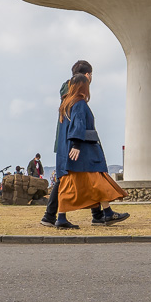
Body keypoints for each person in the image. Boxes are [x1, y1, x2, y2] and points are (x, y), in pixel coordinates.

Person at [42, 60, 109, 228]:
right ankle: (53, 216)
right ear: (86, 76)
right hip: (71, 143)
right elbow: (77, 120)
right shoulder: (75, 95)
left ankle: (98, 214)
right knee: (67, 180)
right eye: (91, 75)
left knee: (82, 177)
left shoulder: (67, 92)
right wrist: (76, 143)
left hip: (68, 141)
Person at [55, 74, 129, 226]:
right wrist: (76, 144)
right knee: (97, 180)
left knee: (68, 184)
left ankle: (61, 218)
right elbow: (79, 124)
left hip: (67, 152)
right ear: (84, 87)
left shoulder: (65, 104)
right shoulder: (79, 103)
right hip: (83, 151)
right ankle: (107, 213)